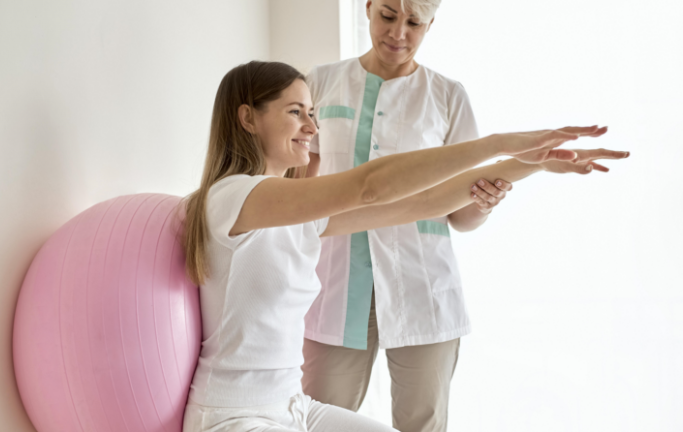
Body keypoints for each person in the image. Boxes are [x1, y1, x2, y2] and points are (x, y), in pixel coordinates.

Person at [180, 60, 626, 432]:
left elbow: (425, 203)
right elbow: (370, 186)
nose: (313, 127)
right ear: (247, 118)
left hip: (293, 407)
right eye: (296, 112)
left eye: (313, 113)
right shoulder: (234, 197)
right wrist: (496, 144)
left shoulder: (295, 215)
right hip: (233, 414)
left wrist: (531, 163)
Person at [301, 1, 627, 430]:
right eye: (387, 16)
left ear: (431, 23)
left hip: (423, 290)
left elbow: (463, 214)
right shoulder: (320, 83)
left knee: (423, 424)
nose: (399, 33)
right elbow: (303, 191)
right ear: (367, 8)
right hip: (334, 288)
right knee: (315, 420)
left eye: (414, 22)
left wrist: (483, 202)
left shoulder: (447, 96)